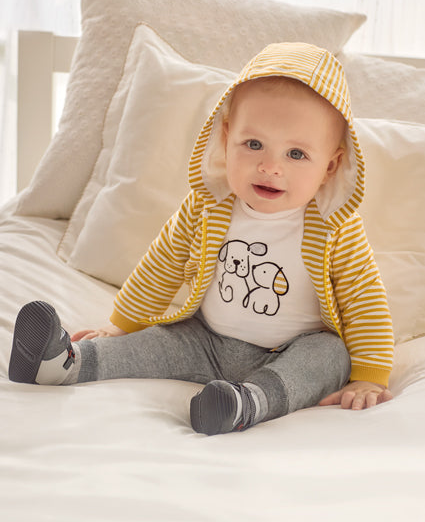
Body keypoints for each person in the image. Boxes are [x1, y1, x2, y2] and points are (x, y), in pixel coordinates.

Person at [9, 42, 394, 435]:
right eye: (254, 144)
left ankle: (246, 403)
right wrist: (123, 325)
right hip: (205, 339)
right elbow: (163, 263)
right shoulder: (209, 205)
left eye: (296, 154)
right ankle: (64, 363)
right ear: (226, 139)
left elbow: (364, 297)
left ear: (330, 166)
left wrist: (370, 376)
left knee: (329, 355)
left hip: (289, 349)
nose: (270, 167)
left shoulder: (334, 227)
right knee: (155, 343)